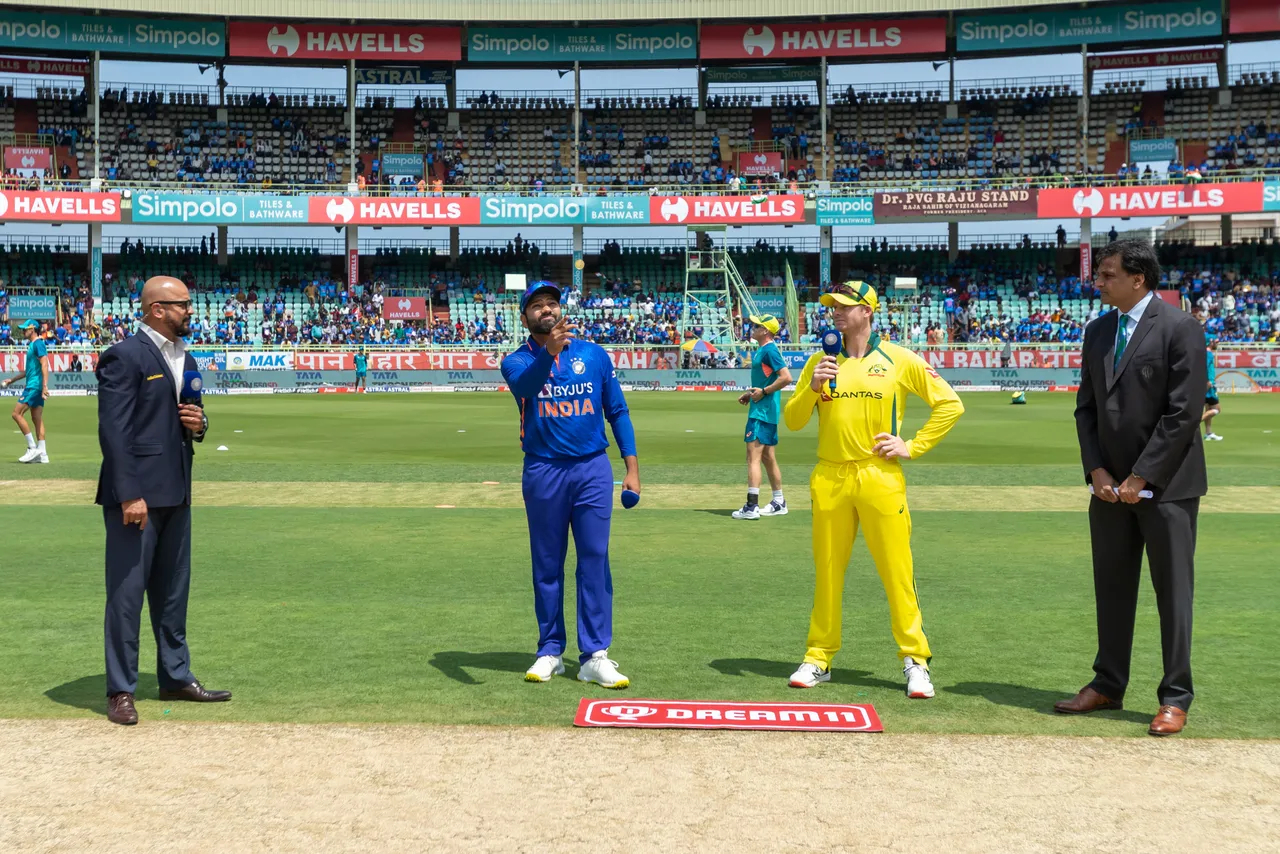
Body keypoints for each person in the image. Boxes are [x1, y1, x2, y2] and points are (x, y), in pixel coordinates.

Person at [783, 281, 964, 697]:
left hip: (880, 477)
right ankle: (818, 657)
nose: (836, 313)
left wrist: (912, 445)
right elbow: (792, 421)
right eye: (832, 307)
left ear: (868, 311)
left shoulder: (898, 358)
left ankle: (915, 661)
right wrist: (812, 389)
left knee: (897, 573)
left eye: (845, 306)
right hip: (829, 477)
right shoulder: (819, 362)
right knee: (827, 571)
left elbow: (950, 403)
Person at [1060, 239, 1207, 737]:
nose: (1097, 282)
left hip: (1166, 488)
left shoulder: (1181, 328)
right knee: (1113, 590)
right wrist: (1098, 472)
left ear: (1138, 278)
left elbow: (1184, 412)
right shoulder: (1098, 331)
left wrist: (1141, 476)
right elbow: (1086, 410)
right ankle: (1107, 684)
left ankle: (1175, 697)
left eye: (1106, 275)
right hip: (1107, 492)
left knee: (1174, 595)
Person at [96, 276, 229, 726]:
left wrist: (200, 423)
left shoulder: (184, 356)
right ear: (157, 310)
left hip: (178, 492)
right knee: (127, 596)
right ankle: (120, 690)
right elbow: (114, 432)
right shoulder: (124, 355)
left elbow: (184, 421)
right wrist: (129, 493)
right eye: (183, 304)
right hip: (137, 499)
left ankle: (174, 675)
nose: (191, 311)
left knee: (173, 594)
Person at [500, 281, 640, 689]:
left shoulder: (594, 355)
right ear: (524, 317)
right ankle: (550, 651)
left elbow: (617, 411)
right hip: (543, 470)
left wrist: (631, 468)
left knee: (594, 559)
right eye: (537, 306)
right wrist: (550, 353)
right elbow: (526, 388)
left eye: (552, 304)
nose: (546, 310)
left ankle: (595, 655)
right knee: (547, 564)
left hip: (592, 469)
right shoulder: (515, 361)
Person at [732, 314, 793, 520]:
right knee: (767, 457)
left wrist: (763, 392)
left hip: (762, 411)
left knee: (753, 458)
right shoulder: (765, 350)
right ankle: (778, 501)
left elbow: (786, 377)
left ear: (765, 331)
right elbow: (768, 379)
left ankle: (751, 506)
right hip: (765, 409)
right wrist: (751, 394)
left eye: (756, 325)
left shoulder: (769, 350)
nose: (752, 327)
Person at [2, 320, 50, 463]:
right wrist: (13, 380)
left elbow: (45, 364)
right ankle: (43, 454)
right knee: (36, 418)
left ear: (33, 329)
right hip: (35, 385)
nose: (23, 332)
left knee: (16, 413)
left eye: (25, 329)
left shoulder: (38, 343)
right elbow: (28, 371)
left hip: (34, 386)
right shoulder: (32, 345)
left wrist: (45, 386)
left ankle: (32, 448)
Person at [1202, 337, 1222, 441]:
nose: (1217, 344)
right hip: (1209, 385)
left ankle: (1208, 433)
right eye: (1216, 342)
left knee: (1208, 409)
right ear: (1211, 342)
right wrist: (1208, 382)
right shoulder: (1208, 354)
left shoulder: (1204, 353)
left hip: (1206, 384)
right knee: (1217, 409)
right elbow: (1204, 368)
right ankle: (1194, 422)